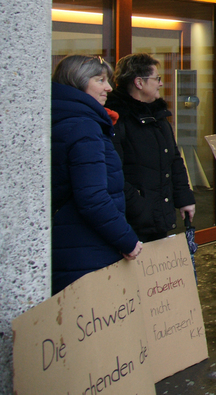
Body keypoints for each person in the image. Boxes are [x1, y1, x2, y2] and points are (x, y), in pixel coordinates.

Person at [51, 55, 142, 293]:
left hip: (73, 243)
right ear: (78, 82)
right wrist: (126, 239)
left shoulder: (69, 118)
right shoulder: (84, 126)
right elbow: (92, 197)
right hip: (86, 249)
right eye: (100, 80)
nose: (108, 88)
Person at [106, 53, 196, 243]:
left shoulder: (158, 116)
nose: (160, 84)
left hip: (158, 218)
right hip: (131, 224)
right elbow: (113, 174)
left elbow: (174, 159)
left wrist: (184, 198)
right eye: (157, 79)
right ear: (139, 82)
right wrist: (141, 208)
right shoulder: (116, 119)